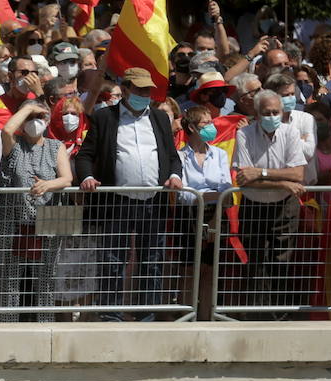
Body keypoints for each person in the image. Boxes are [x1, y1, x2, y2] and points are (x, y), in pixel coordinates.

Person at [75, 67, 183, 319]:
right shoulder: (105, 117)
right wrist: (88, 177)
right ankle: (110, 315)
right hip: (116, 202)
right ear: (124, 90)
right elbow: (86, 156)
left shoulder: (159, 118)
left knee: (152, 262)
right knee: (113, 261)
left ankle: (148, 315)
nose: (145, 94)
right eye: (139, 89)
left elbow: (171, 157)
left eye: (148, 90)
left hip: (152, 203)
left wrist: (175, 175)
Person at [230, 89, 307, 313]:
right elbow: (245, 178)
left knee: (281, 260)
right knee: (255, 261)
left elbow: (298, 174)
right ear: (256, 113)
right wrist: (282, 181)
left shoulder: (290, 132)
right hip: (254, 205)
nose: (272, 116)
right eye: (267, 112)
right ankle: (255, 313)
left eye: (276, 112)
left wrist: (261, 173)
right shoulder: (244, 134)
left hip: (284, 206)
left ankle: (279, 313)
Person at [0, 100, 73, 321]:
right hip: (15, 219)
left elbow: (67, 178)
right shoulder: (14, 144)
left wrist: (48, 185)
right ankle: (8, 325)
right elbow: (7, 129)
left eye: (39, 118)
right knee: (11, 279)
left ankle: (44, 324)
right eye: (29, 118)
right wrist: (29, 108)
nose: (34, 122)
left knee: (46, 278)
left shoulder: (55, 146)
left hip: (50, 217)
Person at [177, 106, 232, 319]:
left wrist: (204, 195)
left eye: (211, 122)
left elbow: (226, 188)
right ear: (191, 127)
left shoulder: (219, 154)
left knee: (210, 268)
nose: (211, 127)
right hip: (189, 216)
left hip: (216, 214)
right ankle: (186, 313)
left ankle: (205, 315)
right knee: (190, 268)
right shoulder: (180, 155)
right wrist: (208, 194)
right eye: (205, 123)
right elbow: (184, 194)